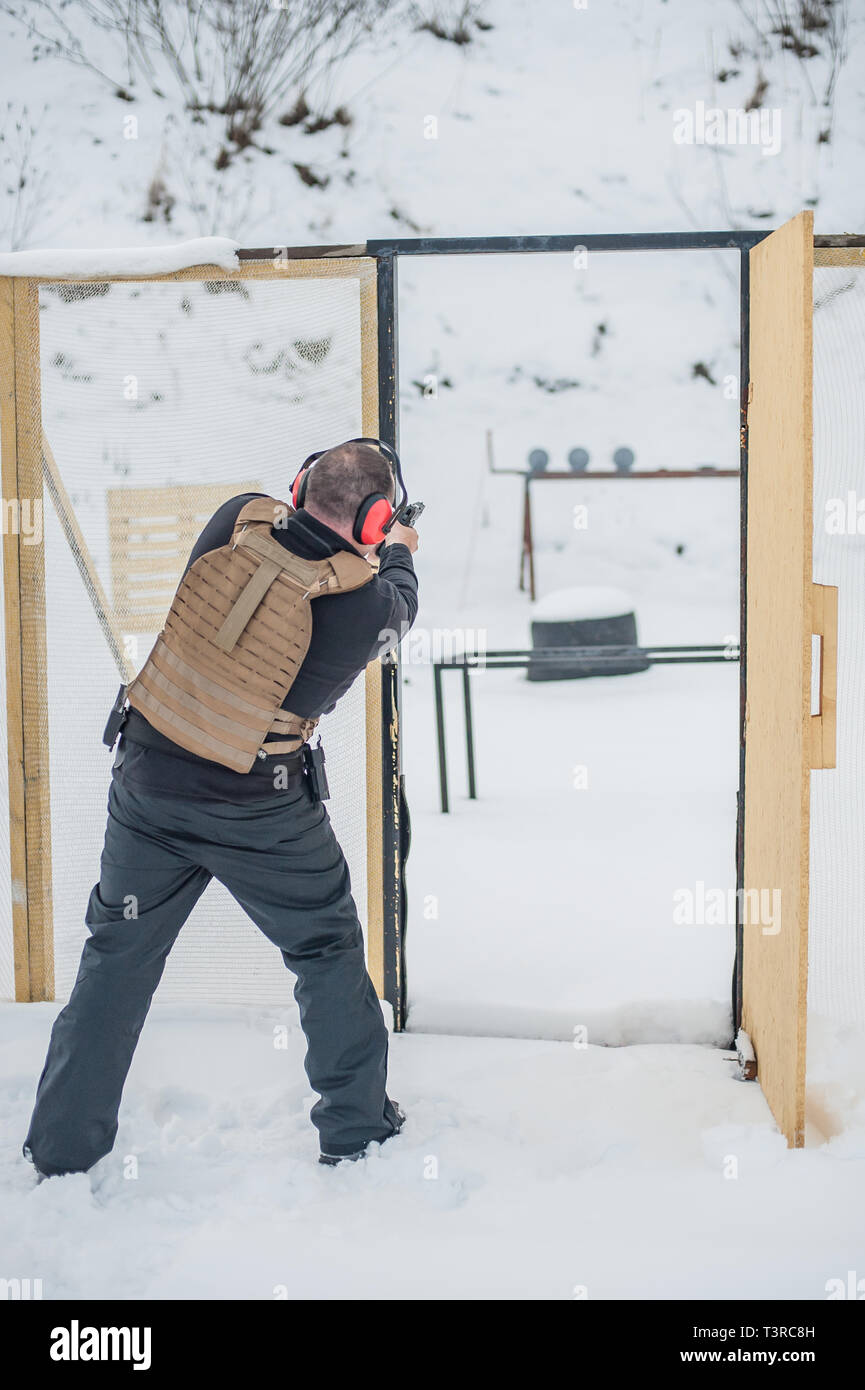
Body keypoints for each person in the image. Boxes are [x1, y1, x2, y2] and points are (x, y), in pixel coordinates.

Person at [23, 439, 419, 1176]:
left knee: (115, 957)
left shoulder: (235, 518)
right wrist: (397, 548)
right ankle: (356, 1130)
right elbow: (396, 606)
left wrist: (366, 530)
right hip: (259, 806)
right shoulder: (367, 603)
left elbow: (291, 535)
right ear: (372, 522)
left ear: (299, 485)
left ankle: (61, 1149)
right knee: (324, 951)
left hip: (148, 778)